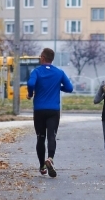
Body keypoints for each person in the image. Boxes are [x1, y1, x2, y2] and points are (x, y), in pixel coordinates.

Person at [27, 47, 73, 177]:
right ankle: (50, 159)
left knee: (40, 137)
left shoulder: (36, 71)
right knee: (52, 135)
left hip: (39, 110)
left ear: (42, 58)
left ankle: (42, 166)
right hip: (53, 110)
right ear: (51, 59)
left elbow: (31, 84)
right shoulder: (59, 72)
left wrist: (30, 94)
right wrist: (58, 86)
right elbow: (70, 88)